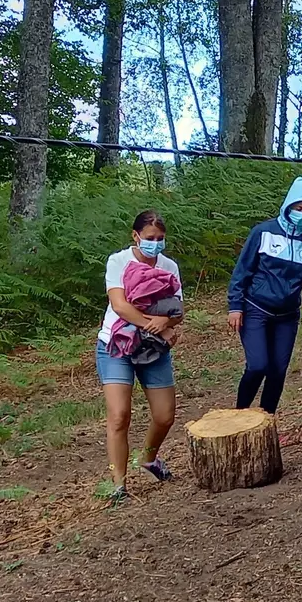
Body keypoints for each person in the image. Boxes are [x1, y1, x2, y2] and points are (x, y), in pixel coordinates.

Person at [228, 177, 302, 415]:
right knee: (258, 366)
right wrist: (235, 306)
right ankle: (238, 415)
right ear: (288, 206)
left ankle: (267, 419)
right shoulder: (263, 232)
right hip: (256, 309)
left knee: (278, 370)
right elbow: (242, 271)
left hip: (287, 316)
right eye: (299, 209)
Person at [95, 211, 182, 501]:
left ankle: (149, 458)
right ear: (135, 236)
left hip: (153, 349)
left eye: (160, 239)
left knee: (164, 416)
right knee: (119, 416)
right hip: (117, 345)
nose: (155, 244)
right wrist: (153, 325)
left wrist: (167, 325)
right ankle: (118, 484)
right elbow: (120, 305)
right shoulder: (118, 261)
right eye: (149, 239)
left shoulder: (169, 266)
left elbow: (177, 310)